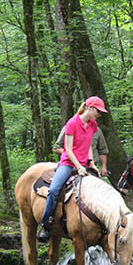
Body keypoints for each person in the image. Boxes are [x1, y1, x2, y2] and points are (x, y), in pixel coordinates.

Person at [38, 96, 107, 242]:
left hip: (84, 164)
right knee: (54, 190)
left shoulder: (93, 125)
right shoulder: (72, 123)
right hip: (68, 164)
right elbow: (68, 149)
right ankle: (46, 225)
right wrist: (78, 166)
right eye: (98, 111)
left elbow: (88, 145)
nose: (99, 114)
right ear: (89, 107)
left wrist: (91, 162)